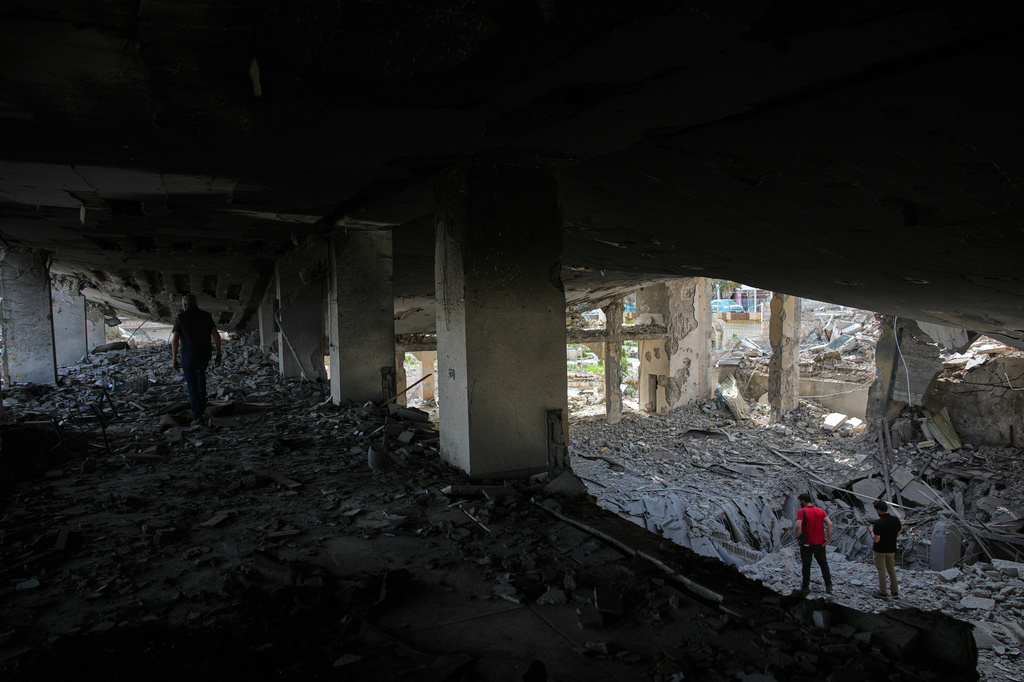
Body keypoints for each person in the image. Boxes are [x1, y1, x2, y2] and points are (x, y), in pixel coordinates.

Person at [170, 294, 222, 425]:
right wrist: (219, 354)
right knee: (201, 373)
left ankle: (197, 415)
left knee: (192, 384)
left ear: (184, 306)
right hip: (205, 354)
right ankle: (203, 403)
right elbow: (217, 336)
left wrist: (174, 359)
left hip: (189, 355)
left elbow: (175, 340)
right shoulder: (206, 316)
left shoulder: (180, 317)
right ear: (197, 304)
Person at [795, 492, 834, 594]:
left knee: (806, 565)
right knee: (823, 564)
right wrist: (828, 539)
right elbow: (829, 523)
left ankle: (805, 587)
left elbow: (798, 525)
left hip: (807, 544)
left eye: (800, 501)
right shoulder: (820, 511)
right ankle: (829, 586)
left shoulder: (801, 511)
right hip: (820, 543)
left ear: (803, 501)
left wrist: (798, 538)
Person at [869, 499, 902, 599]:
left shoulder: (879, 523)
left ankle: (883, 592)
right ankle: (895, 591)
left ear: (879, 510)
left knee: (882, 570)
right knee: (891, 570)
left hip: (880, 550)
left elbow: (876, 539)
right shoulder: (895, 519)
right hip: (891, 549)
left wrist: (871, 531)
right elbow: (899, 533)